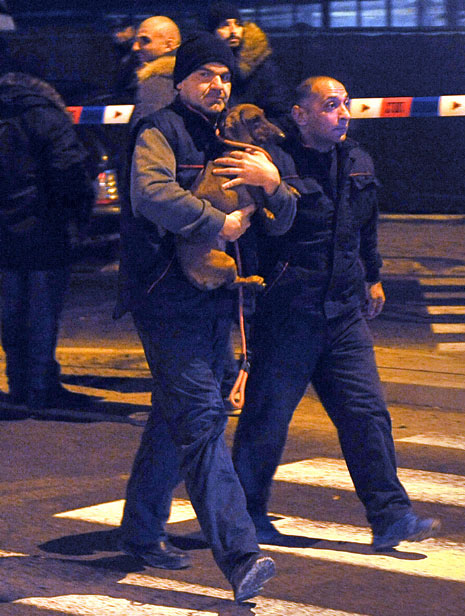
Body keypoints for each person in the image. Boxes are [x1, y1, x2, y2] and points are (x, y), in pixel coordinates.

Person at [114, 33, 298, 603]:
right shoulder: (160, 130)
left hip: (216, 296)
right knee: (201, 420)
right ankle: (241, 556)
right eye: (204, 75)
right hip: (166, 297)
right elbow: (149, 194)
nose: (217, 85)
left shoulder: (228, 138)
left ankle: (141, 528)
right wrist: (216, 223)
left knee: (180, 411)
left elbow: (286, 216)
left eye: (224, 76)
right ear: (180, 82)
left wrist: (273, 186)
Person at [232, 76, 441, 551]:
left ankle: (391, 516)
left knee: (367, 413)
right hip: (289, 311)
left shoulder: (357, 160)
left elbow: (365, 226)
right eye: (330, 105)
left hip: (343, 312)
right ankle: (244, 518)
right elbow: (274, 230)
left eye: (346, 103)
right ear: (300, 114)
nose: (343, 113)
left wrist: (372, 275)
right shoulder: (273, 162)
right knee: (267, 419)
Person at [0, 72, 94, 410]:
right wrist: (78, 213)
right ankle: (41, 388)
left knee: (12, 311)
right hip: (44, 227)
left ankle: (18, 384)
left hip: (5, 232)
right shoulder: (46, 116)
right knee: (41, 312)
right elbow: (69, 170)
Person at [206, 2, 291, 127]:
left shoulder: (261, 65)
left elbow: (281, 112)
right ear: (212, 32)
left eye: (238, 24)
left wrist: (250, 130)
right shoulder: (203, 67)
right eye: (225, 25)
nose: (233, 31)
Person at [130, 15, 181, 127]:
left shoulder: (155, 83)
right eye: (135, 41)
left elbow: (148, 129)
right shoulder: (187, 78)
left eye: (145, 41)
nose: (135, 47)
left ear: (169, 45)